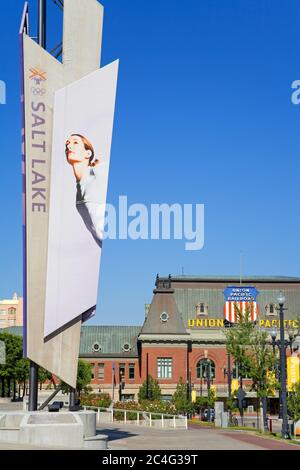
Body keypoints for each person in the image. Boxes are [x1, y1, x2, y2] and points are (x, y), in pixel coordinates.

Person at [65, 134, 106, 248]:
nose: (69, 147)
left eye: (75, 142)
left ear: (88, 153)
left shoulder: (99, 171)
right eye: (67, 144)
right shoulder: (79, 192)